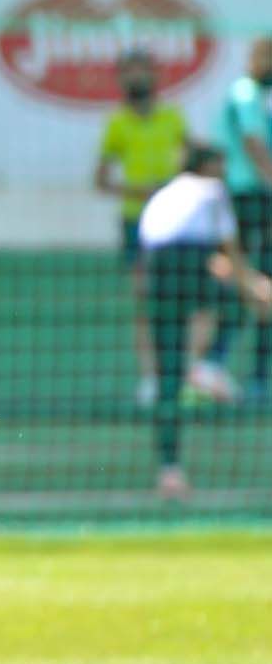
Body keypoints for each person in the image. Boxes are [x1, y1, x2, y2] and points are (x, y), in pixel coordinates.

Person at [138, 144, 272, 497]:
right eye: (221, 164)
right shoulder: (211, 190)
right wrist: (257, 289)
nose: (225, 171)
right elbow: (228, 255)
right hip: (186, 266)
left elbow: (195, 258)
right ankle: (209, 365)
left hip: (158, 274)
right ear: (207, 166)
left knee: (168, 382)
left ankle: (170, 472)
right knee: (239, 306)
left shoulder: (165, 194)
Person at [93, 48, 189, 407]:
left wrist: (172, 185)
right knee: (145, 300)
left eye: (142, 71)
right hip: (137, 220)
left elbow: (188, 162)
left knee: (182, 298)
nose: (137, 79)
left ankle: (183, 373)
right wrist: (139, 190)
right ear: (120, 79)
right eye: (129, 72)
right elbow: (100, 180)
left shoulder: (173, 117)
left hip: (177, 220)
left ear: (154, 74)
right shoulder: (116, 123)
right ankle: (150, 378)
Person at [200, 36, 272, 401]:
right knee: (248, 283)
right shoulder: (245, 93)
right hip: (247, 197)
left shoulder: (261, 98)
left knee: (260, 284)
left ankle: (259, 373)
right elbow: (253, 143)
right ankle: (214, 361)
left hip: (257, 197)